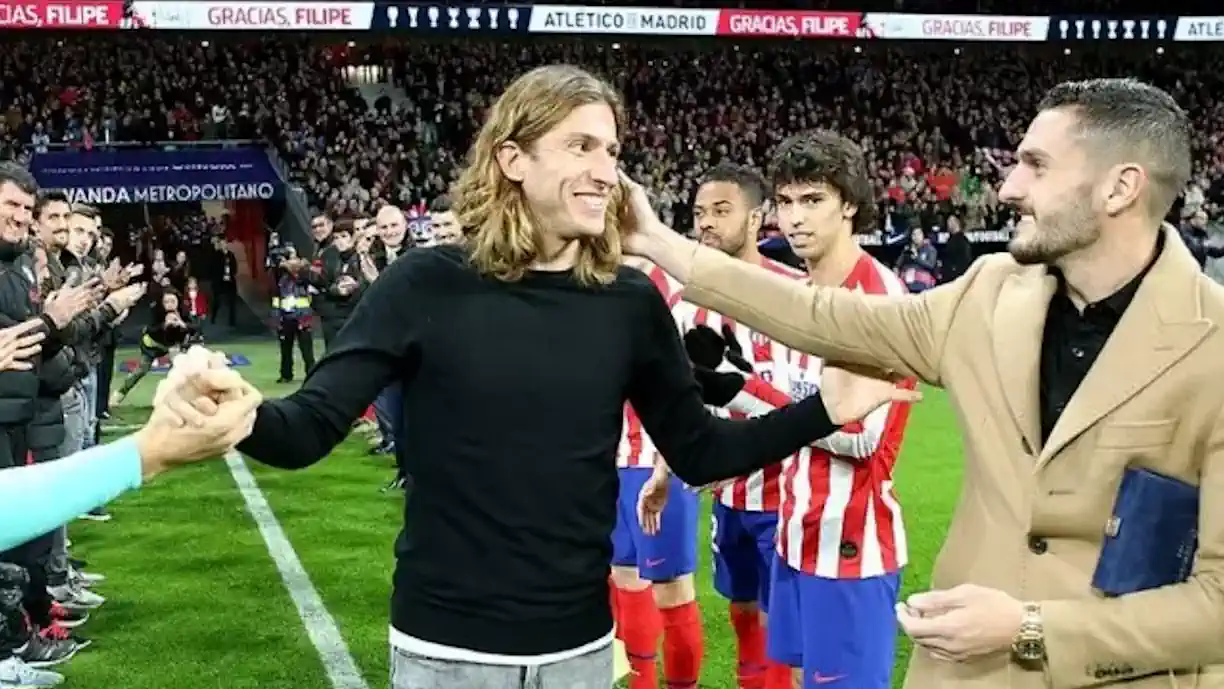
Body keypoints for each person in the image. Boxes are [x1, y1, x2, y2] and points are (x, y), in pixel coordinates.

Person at [153, 65, 920, 689]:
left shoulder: (626, 302)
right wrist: (243, 412)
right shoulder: (424, 283)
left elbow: (699, 451)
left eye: (612, 153)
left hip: (581, 648)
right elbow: (310, 426)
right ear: (512, 159)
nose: (604, 171)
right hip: (445, 649)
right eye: (581, 147)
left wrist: (825, 409)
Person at [629, 78, 1224, 688]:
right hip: (964, 671)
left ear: (1120, 187)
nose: (1008, 187)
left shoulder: (1214, 348)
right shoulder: (990, 291)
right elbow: (826, 318)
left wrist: (1031, 629)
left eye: (1036, 166)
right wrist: (657, 244)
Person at [751, 132, 916, 689]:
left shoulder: (878, 300)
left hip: (852, 544)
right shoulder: (800, 292)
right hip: (796, 530)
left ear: (848, 203)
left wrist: (747, 395)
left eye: (812, 200)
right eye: (786, 201)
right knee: (801, 680)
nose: (794, 218)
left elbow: (859, 434)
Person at [110, 290, 196, 406]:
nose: (170, 304)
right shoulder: (156, 311)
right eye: (166, 302)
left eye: (173, 301)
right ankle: (119, 395)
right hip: (152, 345)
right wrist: (164, 325)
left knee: (179, 370)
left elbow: (196, 327)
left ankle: (179, 398)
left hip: (172, 346)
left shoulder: (184, 311)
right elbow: (149, 329)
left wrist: (182, 324)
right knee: (141, 370)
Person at [271, 247, 315, 384]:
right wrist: (277, 319)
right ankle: (286, 374)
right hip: (286, 317)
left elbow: (301, 272)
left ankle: (311, 375)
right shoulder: (280, 278)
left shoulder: (303, 272)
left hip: (302, 317)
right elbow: (277, 298)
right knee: (285, 349)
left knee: (307, 351)